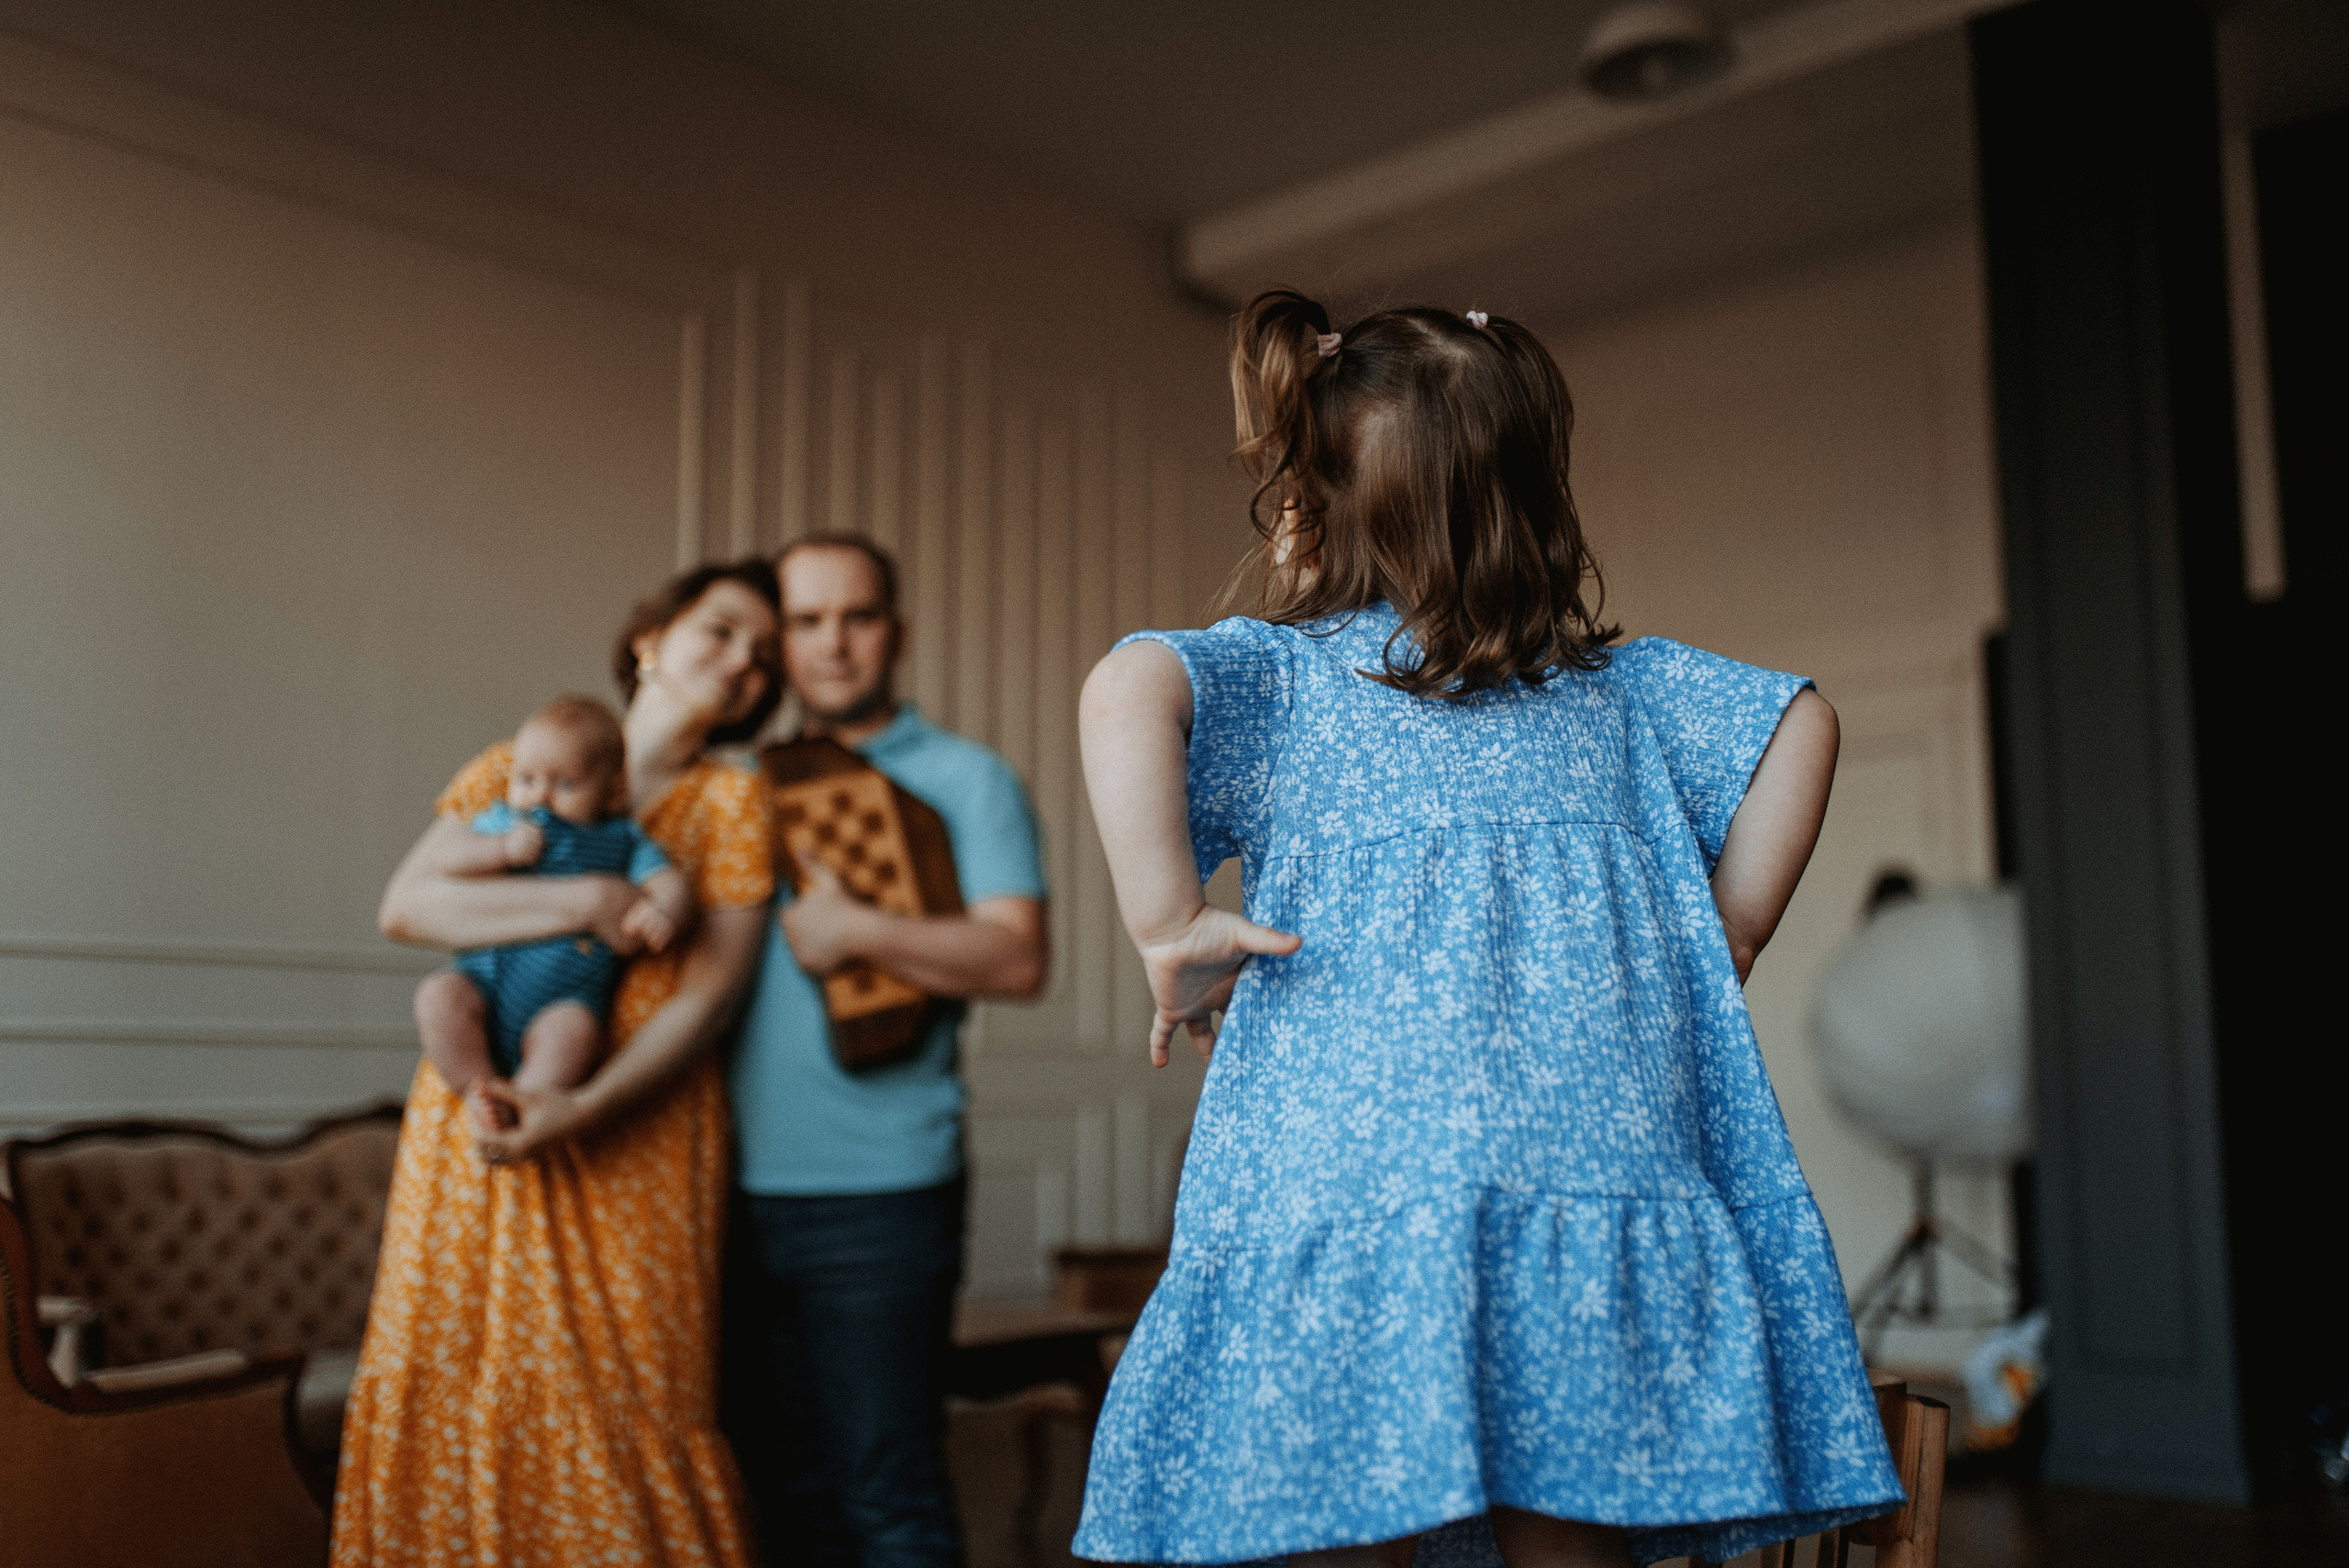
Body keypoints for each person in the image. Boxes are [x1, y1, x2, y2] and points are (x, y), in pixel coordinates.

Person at [1071, 293, 1903, 1568]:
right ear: (1534, 505)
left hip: (1344, 1185)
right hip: (1585, 1179)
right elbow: (1802, 721)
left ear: (1315, 507)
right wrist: (1725, 933)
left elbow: (1128, 682)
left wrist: (1167, 918)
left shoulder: (1293, 682)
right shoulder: (1618, 692)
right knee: (1570, 1510)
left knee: (1334, 1511)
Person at [334, 559, 784, 1568]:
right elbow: (410, 905)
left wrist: (581, 1108)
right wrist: (584, 904)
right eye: (720, 631)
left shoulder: (732, 804)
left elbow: (709, 998)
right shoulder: (516, 766)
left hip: (641, 1127)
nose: (743, 662)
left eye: (763, 656)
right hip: (476, 1109)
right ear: (649, 641)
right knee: (449, 1365)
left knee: (631, 1392)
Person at [725, 533, 1048, 1568]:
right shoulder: (740, 781)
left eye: (855, 616)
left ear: (893, 631)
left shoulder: (967, 777)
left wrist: (858, 929)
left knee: (887, 1490)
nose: (833, 643)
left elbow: (1017, 958)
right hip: (722, 1191)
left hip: (880, 1188)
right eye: (807, 619)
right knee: (780, 1494)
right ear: (778, 638)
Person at [411, 695, 693, 1108]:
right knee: (437, 996)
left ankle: (523, 1101)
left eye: (564, 784)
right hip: (482, 986)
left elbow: (670, 883)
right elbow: (444, 858)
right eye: (526, 780)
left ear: (613, 794)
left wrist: (664, 910)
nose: (540, 797)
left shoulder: (623, 841)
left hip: (562, 1001)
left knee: (575, 1032)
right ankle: (480, 1091)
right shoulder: (505, 821)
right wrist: (501, 850)